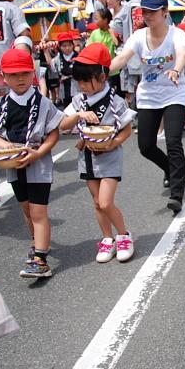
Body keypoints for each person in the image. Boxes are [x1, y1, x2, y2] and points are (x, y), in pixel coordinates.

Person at [0, 49, 64, 277]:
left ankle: (40, 259)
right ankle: (38, 244)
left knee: (38, 212)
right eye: (13, 75)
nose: (20, 79)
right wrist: (1, 143)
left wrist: (39, 152)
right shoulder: (1, 103)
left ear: (32, 73)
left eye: (24, 73)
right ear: (3, 76)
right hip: (12, 164)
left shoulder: (43, 103)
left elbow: (54, 132)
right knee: (25, 208)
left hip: (38, 163)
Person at [110, 0, 185, 213]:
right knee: (145, 146)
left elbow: (182, 54)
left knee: (173, 141)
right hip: (148, 95)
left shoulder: (177, 34)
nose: (147, 16)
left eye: (152, 11)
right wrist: (101, 71)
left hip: (175, 92)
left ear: (165, 12)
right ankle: (168, 168)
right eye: (144, 12)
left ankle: (177, 194)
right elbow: (122, 58)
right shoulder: (137, 36)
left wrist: (176, 69)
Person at [59, 43, 136, 263]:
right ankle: (107, 239)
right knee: (96, 203)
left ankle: (123, 235)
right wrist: (79, 115)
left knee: (105, 202)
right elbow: (64, 125)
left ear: (102, 77)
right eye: (79, 81)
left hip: (109, 157)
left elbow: (127, 129)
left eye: (86, 80)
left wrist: (113, 144)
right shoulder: (78, 101)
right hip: (87, 158)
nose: (82, 85)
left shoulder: (116, 101)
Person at [111, 0, 165, 107]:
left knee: (134, 91)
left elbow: (115, 26)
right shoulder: (153, 4)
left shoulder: (129, 4)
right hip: (151, 55)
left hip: (132, 57)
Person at [87, 8, 120, 93]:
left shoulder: (112, 32)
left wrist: (111, 32)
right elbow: (89, 48)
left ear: (105, 20)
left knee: (113, 93)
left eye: (97, 19)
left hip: (112, 70)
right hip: (98, 70)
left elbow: (116, 44)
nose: (95, 21)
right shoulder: (95, 33)